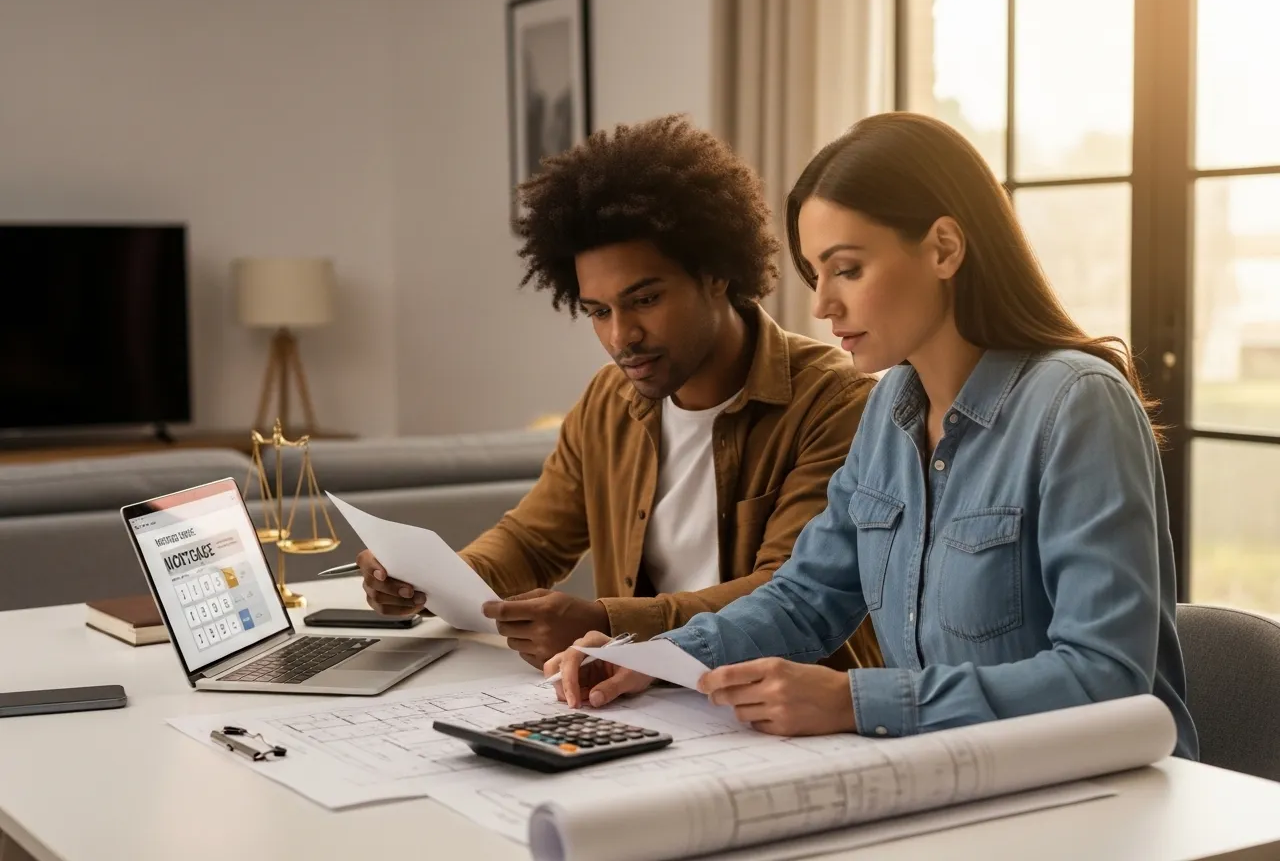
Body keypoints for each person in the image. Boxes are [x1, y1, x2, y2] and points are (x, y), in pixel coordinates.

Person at [545, 111, 1199, 761]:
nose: (823, 304)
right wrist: (662, 657)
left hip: (1105, 803)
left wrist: (854, 700)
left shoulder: (1076, 405)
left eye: (847, 269)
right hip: (953, 782)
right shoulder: (890, 408)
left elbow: (1106, 678)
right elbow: (808, 598)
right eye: (815, 273)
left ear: (944, 248)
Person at [356, 114, 883, 673]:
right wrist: (429, 579)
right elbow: (533, 541)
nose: (620, 337)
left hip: (790, 709)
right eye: (599, 312)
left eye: (645, 300)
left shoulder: (835, 402)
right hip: (642, 695)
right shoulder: (611, 401)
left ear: (716, 274)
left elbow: (788, 596)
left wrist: (608, 621)